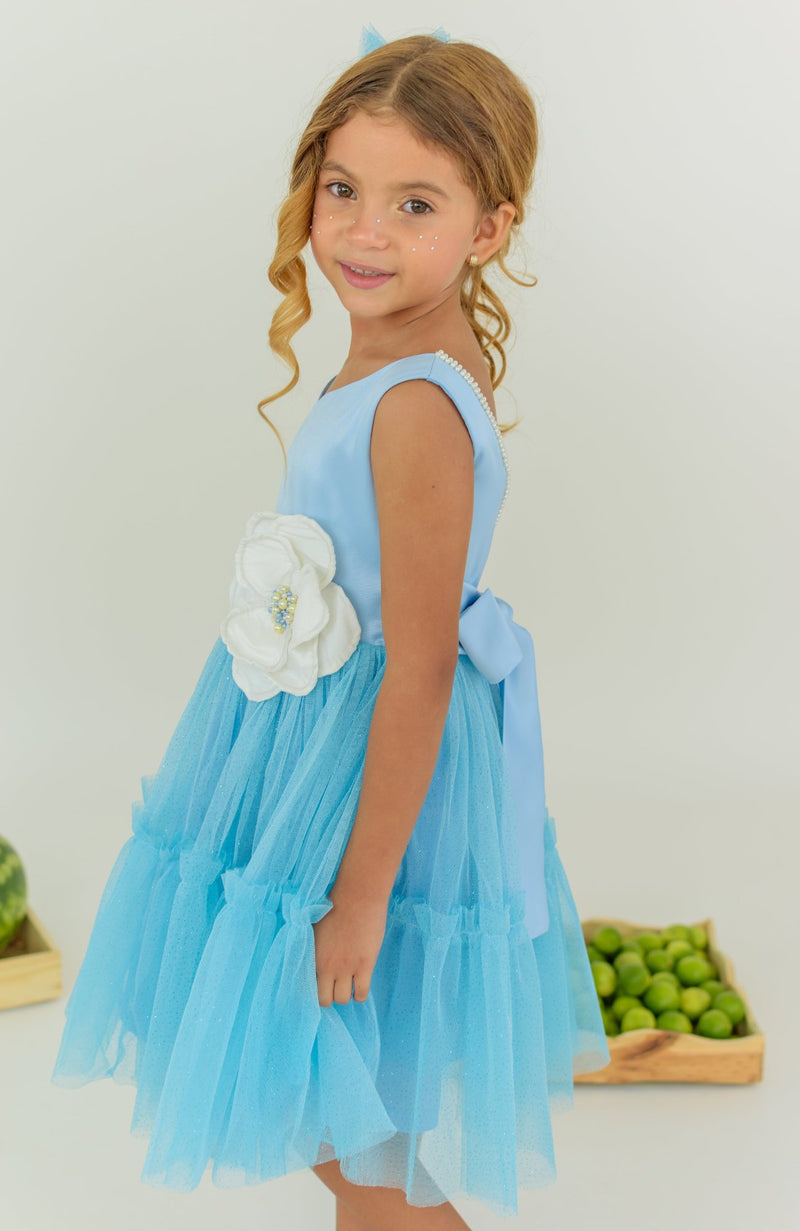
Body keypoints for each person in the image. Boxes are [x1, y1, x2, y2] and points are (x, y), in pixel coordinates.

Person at [51, 26, 610, 1230]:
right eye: (343, 188)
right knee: (343, 1116)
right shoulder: (402, 356)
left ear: (488, 229)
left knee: (345, 1123)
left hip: (361, 768)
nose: (363, 230)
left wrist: (358, 898)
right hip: (310, 740)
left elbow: (419, 664)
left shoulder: (414, 405)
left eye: (415, 204)